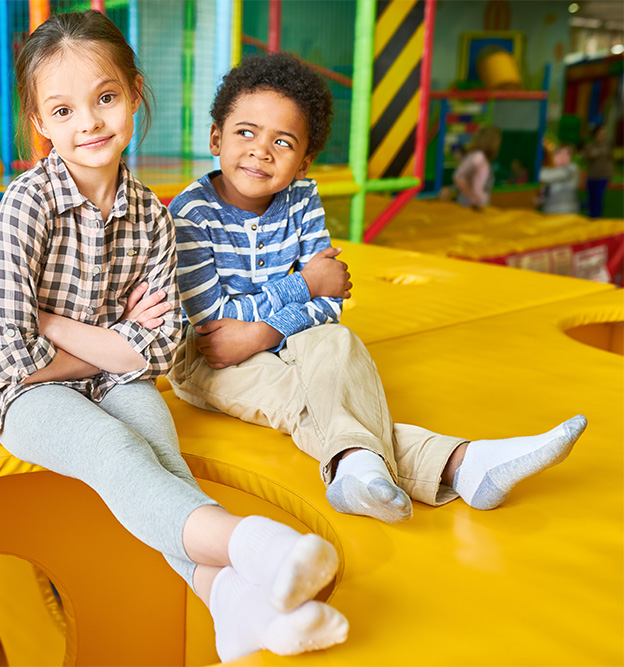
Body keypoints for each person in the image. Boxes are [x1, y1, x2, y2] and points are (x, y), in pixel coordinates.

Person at [0, 12, 347, 661]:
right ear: (40, 122)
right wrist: (114, 336)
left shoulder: (150, 211)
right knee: (116, 449)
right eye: (63, 110)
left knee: (164, 460)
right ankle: (253, 546)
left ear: (134, 93)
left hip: (113, 376)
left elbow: (160, 346)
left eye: (106, 99)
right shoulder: (26, 205)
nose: (87, 123)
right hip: (19, 395)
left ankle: (233, 605)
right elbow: (9, 354)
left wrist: (58, 324)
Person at [167, 52, 587, 526]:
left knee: (338, 342)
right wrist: (302, 284)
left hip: (280, 343)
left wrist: (265, 330)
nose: (261, 150)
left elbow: (329, 306)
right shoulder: (190, 214)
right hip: (206, 359)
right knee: (309, 400)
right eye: (246, 132)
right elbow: (216, 327)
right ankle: (459, 463)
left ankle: (361, 469)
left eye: (282, 142)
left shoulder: (302, 198)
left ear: (304, 162)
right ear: (215, 137)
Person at [453, 125, 503, 210]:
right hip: (470, 207)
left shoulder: (481, 157)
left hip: (477, 206)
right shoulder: (478, 157)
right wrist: (473, 198)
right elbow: (458, 177)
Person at [538, 143, 581, 215]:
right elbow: (549, 193)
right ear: (553, 156)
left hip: (567, 214)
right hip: (550, 212)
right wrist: (542, 199)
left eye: (567, 154)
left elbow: (546, 176)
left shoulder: (571, 168)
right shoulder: (553, 170)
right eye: (559, 153)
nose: (563, 157)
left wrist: (535, 170)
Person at [581, 124, 614, 218]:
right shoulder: (590, 145)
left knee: (598, 195)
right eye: (601, 132)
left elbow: (611, 159)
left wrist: (611, 172)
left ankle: (596, 216)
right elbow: (584, 157)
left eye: (604, 133)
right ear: (596, 134)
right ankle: (591, 214)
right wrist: (592, 154)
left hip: (604, 175)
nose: (603, 135)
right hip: (592, 174)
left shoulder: (607, 145)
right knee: (591, 196)